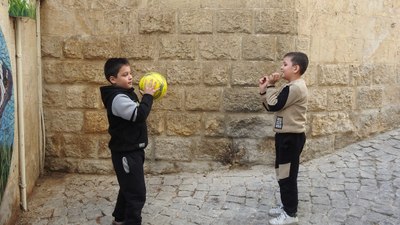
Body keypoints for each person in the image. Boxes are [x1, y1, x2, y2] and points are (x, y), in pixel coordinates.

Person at [100, 58, 157, 225]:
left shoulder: (124, 93)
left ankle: (119, 219)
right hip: (126, 153)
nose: (130, 77)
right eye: (125, 75)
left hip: (131, 150)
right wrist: (147, 96)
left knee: (128, 188)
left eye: (130, 73)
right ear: (113, 79)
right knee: (136, 193)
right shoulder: (117, 98)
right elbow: (139, 115)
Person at [259, 52, 309, 225]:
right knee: (282, 173)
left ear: (295, 68)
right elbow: (272, 105)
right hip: (284, 136)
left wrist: (271, 85)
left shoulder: (296, 88)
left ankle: (291, 214)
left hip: (291, 137)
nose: (281, 67)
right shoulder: (289, 86)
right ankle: (286, 205)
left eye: (285, 64)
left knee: (287, 176)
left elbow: (274, 104)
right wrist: (264, 90)